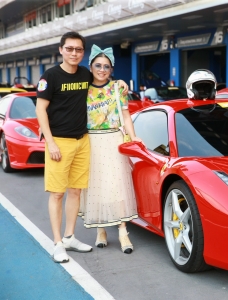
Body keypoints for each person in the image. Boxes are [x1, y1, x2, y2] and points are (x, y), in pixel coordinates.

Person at [36, 32, 129, 263]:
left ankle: (69, 236)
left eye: (78, 49)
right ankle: (57, 243)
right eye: (69, 49)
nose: (74, 53)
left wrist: (120, 82)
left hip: (83, 141)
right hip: (59, 142)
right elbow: (40, 110)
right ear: (61, 50)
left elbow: (104, 79)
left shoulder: (86, 75)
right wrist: (50, 141)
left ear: (83, 53)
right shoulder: (50, 76)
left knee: (76, 191)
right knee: (58, 194)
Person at [78, 44, 142, 254]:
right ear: (91, 66)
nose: (102, 69)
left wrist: (133, 137)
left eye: (107, 66)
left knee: (118, 186)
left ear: (111, 69)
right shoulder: (82, 87)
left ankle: (123, 231)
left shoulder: (118, 88)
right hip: (91, 142)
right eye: (98, 65)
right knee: (96, 187)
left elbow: (125, 116)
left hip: (114, 141)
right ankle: (101, 230)